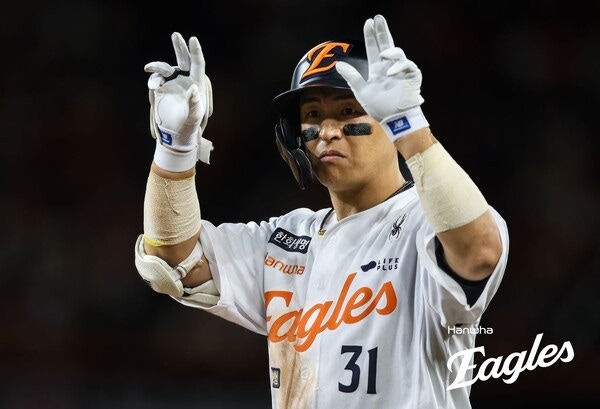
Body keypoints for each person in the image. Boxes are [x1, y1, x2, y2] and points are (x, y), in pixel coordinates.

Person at [134, 14, 509, 409]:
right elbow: (172, 258)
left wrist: (411, 127)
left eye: (348, 112)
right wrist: (175, 149)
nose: (328, 131)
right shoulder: (285, 241)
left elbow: (480, 251)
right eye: (313, 115)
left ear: (388, 119)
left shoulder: (427, 219)